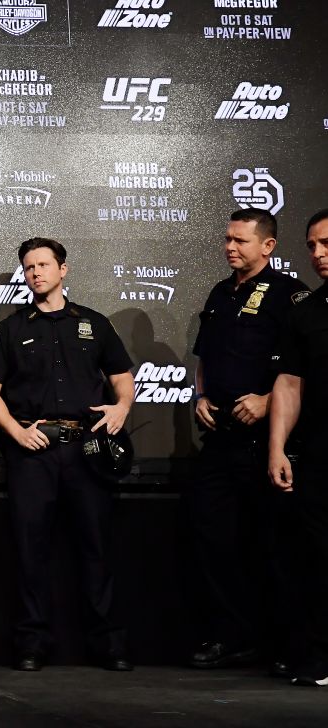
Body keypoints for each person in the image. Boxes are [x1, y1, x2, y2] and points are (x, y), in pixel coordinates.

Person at [0, 237, 134, 672]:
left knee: (97, 548)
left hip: (88, 449)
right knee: (30, 551)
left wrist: (121, 408)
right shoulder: (11, 329)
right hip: (34, 452)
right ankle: (31, 645)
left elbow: (123, 378)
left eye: (43, 265)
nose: (36, 273)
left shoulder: (95, 324)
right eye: (28, 268)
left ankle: (110, 646)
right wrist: (15, 431)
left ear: (63, 270)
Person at [186, 209, 308, 674]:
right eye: (227, 239)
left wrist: (265, 400)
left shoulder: (289, 296)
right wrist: (199, 395)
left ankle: (285, 645)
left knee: (273, 545)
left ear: (268, 246)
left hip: (267, 441)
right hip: (219, 439)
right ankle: (231, 637)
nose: (229, 247)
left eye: (239, 240)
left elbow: (301, 366)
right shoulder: (220, 292)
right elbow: (204, 356)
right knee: (212, 538)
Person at [268, 208, 328, 687]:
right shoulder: (305, 311)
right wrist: (277, 448)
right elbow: (288, 384)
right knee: (315, 560)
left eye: (326, 243)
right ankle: (319, 658)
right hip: (319, 453)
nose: (317, 254)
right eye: (311, 246)